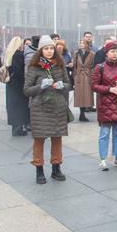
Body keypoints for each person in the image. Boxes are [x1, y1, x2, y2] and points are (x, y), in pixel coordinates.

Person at [23, 35, 71, 184]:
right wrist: (41, 86)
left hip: (58, 108)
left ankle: (56, 168)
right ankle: (39, 170)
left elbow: (69, 84)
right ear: (40, 50)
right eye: (46, 48)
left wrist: (63, 85)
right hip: (40, 109)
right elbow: (26, 90)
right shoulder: (34, 67)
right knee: (39, 140)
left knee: (57, 139)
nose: (49, 51)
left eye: (51, 48)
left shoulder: (60, 64)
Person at [91, 40, 117, 169]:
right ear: (106, 53)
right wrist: (109, 89)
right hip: (105, 105)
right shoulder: (100, 67)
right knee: (104, 133)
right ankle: (103, 159)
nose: (115, 54)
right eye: (112, 51)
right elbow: (94, 85)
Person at [4, 37, 29, 136]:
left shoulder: (8, 54)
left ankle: (15, 128)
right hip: (18, 85)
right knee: (20, 107)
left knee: (12, 107)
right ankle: (18, 129)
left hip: (10, 85)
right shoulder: (18, 55)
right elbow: (19, 71)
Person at [73, 39, 95, 121]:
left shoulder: (92, 54)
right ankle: (81, 114)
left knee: (87, 96)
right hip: (78, 76)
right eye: (80, 43)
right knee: (79, 96)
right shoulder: (76, 53)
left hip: (87, 76)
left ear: (87, 44)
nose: (81, 44)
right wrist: (74, 77)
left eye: (83, 43)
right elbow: (74, 66)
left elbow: (93, 66)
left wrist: (92, 76)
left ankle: (84, 112)